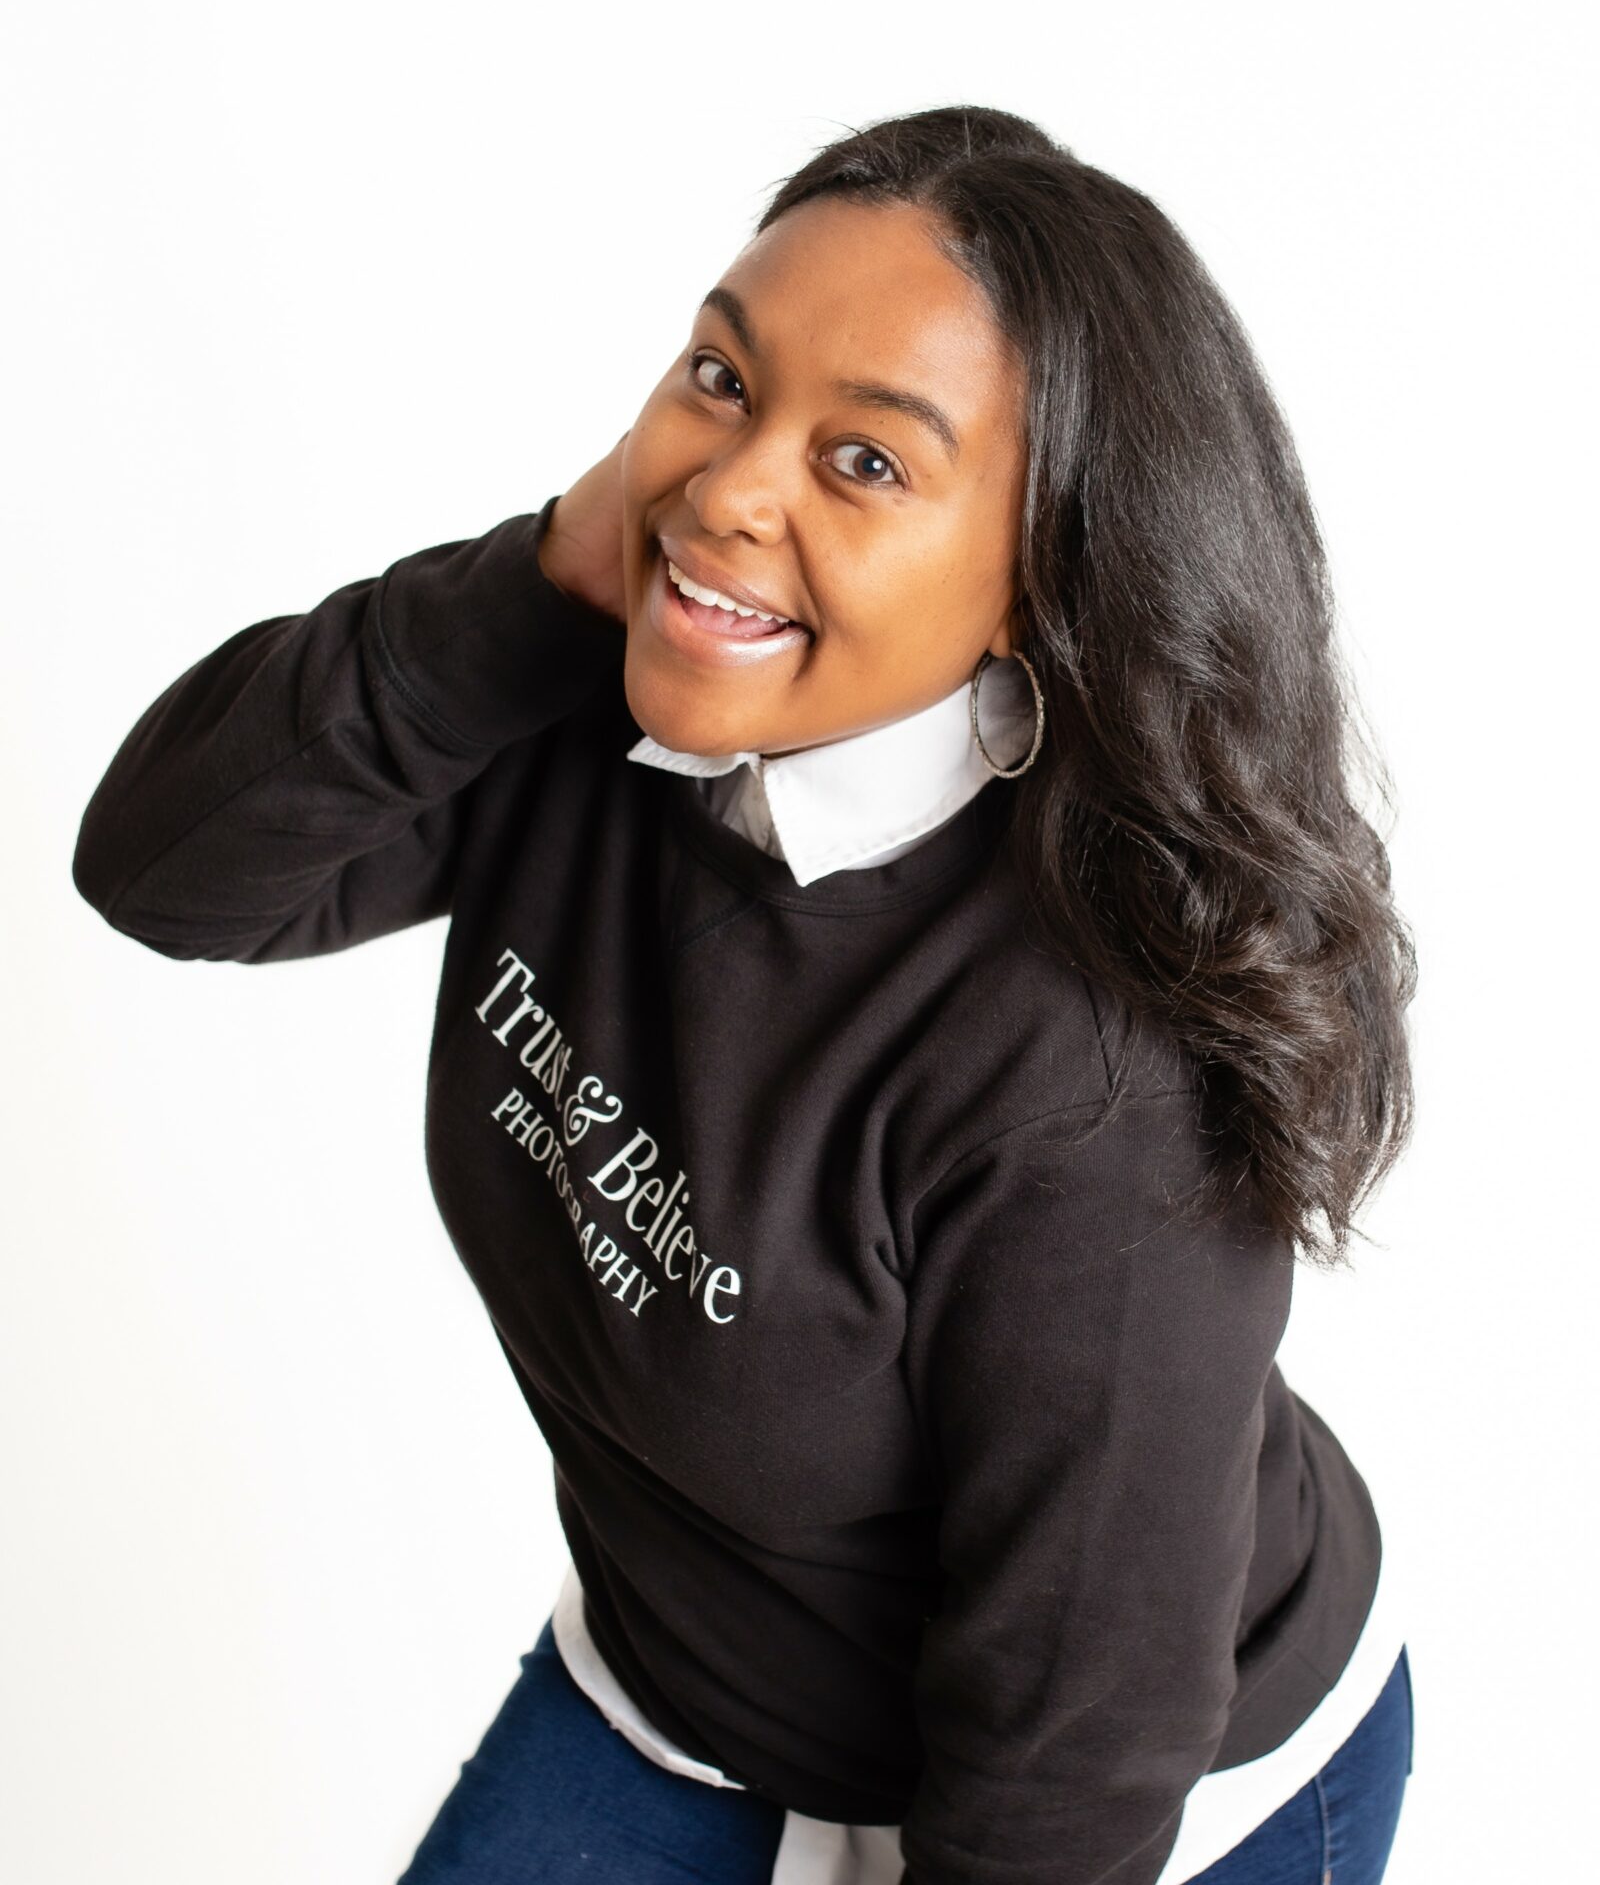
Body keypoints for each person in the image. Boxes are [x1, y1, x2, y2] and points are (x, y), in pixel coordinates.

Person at [72, 105, 1418, 1884]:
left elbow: (1075, 1740)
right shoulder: (606, 697)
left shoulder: (1094, 1073)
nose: (729, 488)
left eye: (866, 462)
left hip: (1129, 1794)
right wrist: (542, 575)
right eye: (721, 378)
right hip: (685, 1691)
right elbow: (169, 872)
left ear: (1040, 580)